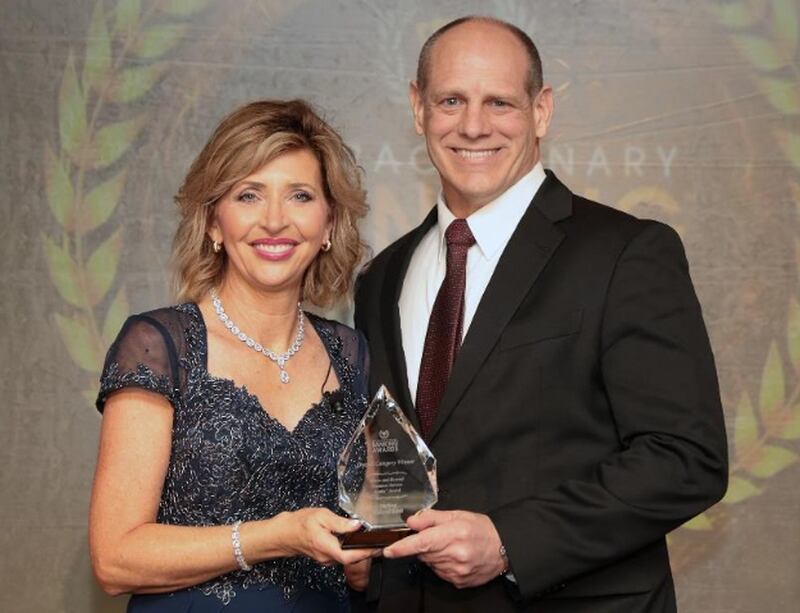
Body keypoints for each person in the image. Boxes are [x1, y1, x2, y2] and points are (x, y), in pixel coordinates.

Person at [353, 16, 728, 613]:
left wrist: (508, 543)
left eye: (499, 102)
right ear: (418, 108)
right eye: (451, 100)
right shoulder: (381, 278)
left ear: (541, 111)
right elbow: (396, 462)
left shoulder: (626, 252)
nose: (473, 126)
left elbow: (686, 459)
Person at [90, 99, 376, 612]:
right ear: (214, 224)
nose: (273, 220)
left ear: (329, 224)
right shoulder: (160, 345)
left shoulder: (351, 353)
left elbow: (360, 549)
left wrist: (361, 564)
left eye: (300, 196)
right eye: (249, 195)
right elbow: (115, 559)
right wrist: (278, 536)